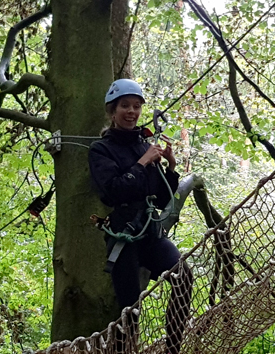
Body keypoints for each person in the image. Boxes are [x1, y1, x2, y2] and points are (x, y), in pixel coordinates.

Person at [88, 79, 192, 354]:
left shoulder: (141, 145)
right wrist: (143, 162)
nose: (131, 111)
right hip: (123, 235)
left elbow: (162, 198)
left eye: (136, 106)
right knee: (129, 311)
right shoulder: (102, 150)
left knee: (183, 276)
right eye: (125, 106)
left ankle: (173, 348)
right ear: (113, 111)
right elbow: (112, 192)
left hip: (149, 235)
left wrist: (169, 166)